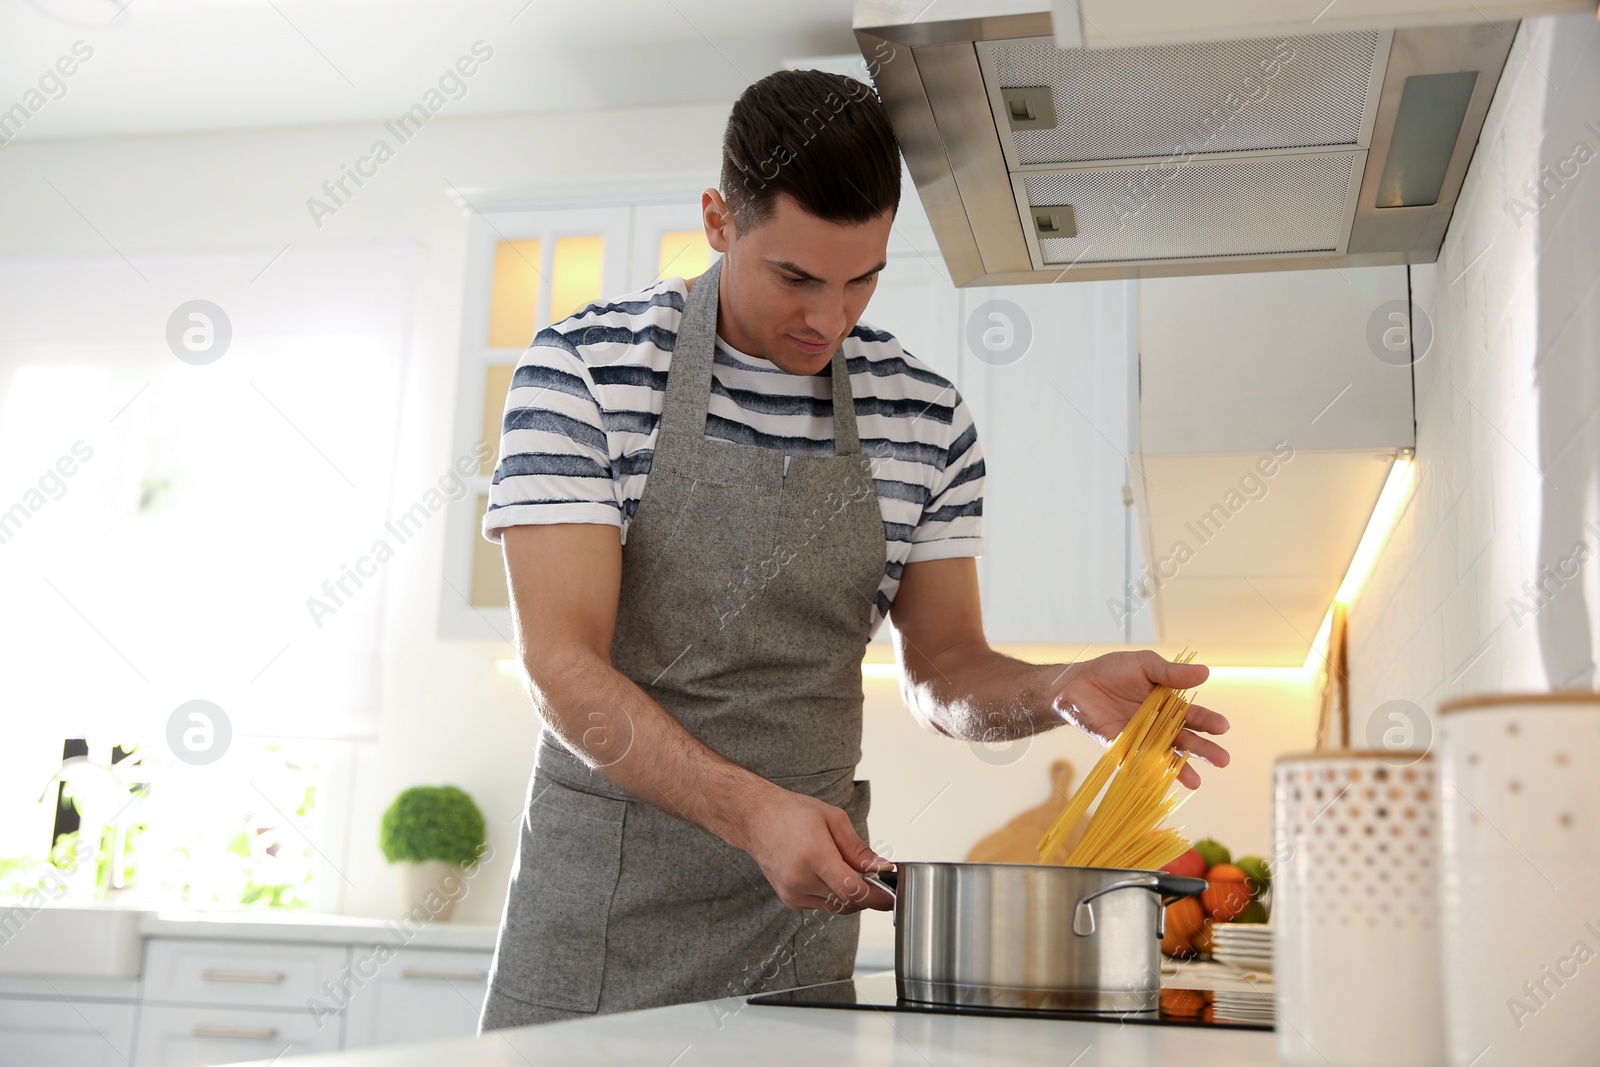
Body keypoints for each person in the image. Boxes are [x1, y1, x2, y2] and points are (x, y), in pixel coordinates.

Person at [477, 68, 1230, 1030]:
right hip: (599, 924)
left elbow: (946, 671)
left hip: (801, 920)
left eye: (861, 278)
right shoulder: (583, 372)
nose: (828, 320)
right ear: (718, 219)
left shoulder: (923, 415)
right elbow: (562, 664)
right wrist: (755, 814)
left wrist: (1055, 688)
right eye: (794, 277)